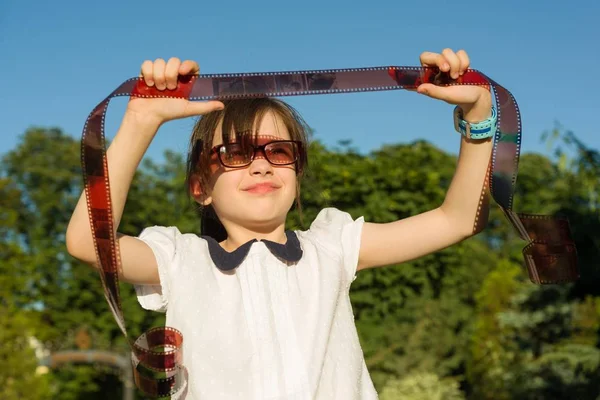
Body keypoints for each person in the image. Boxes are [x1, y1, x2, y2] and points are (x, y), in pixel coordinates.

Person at [66, 48, 493, 399]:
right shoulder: (180, 261)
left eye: (279, 152)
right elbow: (88, 242)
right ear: (201, 188)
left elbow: (456, 220)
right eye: (234, 154)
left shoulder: (332, 247)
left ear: (296, 174)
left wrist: (479, 115)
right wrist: (141, 123)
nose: (260, 166)